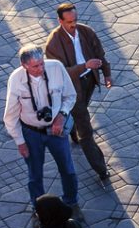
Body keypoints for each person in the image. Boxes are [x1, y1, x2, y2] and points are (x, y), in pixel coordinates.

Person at [43, 4, 114, 182]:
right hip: (71, 89)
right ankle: (101, 168)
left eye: (75, 20)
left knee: (80, 111)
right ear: (60, 21)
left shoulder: (86, 31)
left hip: (89, 81)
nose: (73, 24)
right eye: (69, 22)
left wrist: (107, 74)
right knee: (86, 130)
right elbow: (60, 72)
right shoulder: (53, 44)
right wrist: (85, 66)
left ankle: (73, 131)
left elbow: (100, 54)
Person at [4, 46, 81, 208]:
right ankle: (38, 210)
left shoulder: (56, 68)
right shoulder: (16, 79)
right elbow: (10, 115)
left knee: (67, 169)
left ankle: (72, 203)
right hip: (31, 133)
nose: (40, 69)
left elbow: (70, 96)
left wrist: (61, 115)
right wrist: (20, 141)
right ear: (24, 65)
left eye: (41, 64)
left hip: (56, 130)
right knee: (35, 175)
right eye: (35, 66)